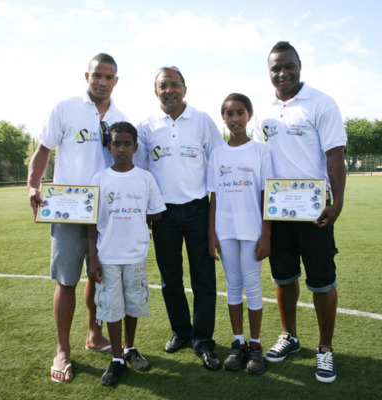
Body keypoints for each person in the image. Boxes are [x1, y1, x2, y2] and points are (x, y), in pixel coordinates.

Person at [27, 53, 129, 383]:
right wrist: (33, 184)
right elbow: (44, 149)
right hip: (69, 207)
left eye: (108, 77)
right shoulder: (65, 107)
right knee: (67, 279)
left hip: (107, 210)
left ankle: (93, 334)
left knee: (99, 276)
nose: (102, 82)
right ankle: (62, 350)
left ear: (116, 81)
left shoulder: (121, 117)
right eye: (97, 75)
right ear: (87, 76)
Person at [253, 41, 347, 383]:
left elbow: (334, 156)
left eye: (288, 66)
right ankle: (290, 336)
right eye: (275, 68)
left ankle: (325, 348)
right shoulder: (261, 109)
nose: (282, 73)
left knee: (322, 280)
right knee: (283, 277)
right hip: (278, 212)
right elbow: (257, 161)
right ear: (269, 72)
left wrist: (336, 202)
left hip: (314, 211)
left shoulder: (321, 103)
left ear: (299, 65)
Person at [134, 66, 225, 370]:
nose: (169, 90)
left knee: (203, 278)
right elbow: (139, 169)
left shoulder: (202, 120)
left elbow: (218, 162)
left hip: (198, 209)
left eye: (174, 85)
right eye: (163, 86)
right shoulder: (146, 125)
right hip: (163, 214)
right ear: (155, 91)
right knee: (170, 278)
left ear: (185, 88)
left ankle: (203, 340)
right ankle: (180, 332)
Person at [88, 121, 166, 386]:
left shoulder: (145, 178)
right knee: (111, 307)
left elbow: (156, 211)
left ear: (135, 146)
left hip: (135, 254)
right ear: (109, 146)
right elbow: (91, 221)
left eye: (126, 144)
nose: (121, 149)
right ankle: (117, 357)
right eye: (116, 144)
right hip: (107, 256)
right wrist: (93, 256)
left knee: (133, 303)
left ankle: (130, 347)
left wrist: (138, 215)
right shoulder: (100, 179)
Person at [207, 93, 272, 374]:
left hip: (253, 229)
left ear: (249, 115)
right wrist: (212, 234)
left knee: (252, 284)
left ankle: (255, 346)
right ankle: (238, 343)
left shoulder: (260, 151)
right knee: (233, 285)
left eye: (241, 113)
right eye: (229, 114)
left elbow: (266, 194)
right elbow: (214, 197)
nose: (235, 119)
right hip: (225, 229)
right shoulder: (217, 153)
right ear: (223, 118)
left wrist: (266, 233)